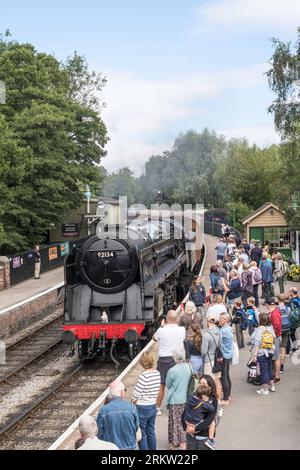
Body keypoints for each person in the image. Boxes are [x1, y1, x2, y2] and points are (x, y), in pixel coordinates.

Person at [153, 310, 186, 416]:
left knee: (161, 385)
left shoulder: (161, 330)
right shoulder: (182, 330)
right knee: (177, 384)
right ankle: (176, 407)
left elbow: (154, 338)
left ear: (166, 319)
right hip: (177, 359)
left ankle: (157, 408)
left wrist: (162, 326)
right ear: (176, 319)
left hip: (163, 359)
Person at [97, 380, 139, 450]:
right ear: (122, 392)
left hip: (109, 447)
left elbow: (99, 432)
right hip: (129, 446)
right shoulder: (132, 408)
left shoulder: (103, 410)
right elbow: (136, 427)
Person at [131, 352, 161, 450]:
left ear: (143, 362)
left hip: (142, 407)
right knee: (151, 431)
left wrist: (133, 400)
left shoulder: (143, 376)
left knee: (142, 433)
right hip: (153, 405)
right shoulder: (157, 373)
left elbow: (136, 393)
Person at [182, 375, 218, 451]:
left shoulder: (213, 401)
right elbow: (184, 414)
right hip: (190, 437)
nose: (201, 385)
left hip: (203, 440)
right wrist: (186, 427)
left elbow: (209, 420)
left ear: (210, 387)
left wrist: (195, 429)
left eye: (203, 384)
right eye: (200, 383)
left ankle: (210, 441)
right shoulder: (193, 396)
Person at [165, 348, 192, 450]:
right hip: (186, 397)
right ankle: (184, 440)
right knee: (184, 420)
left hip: (175, 399)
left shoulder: (172, 370)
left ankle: (177, 442)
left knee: (176, 422)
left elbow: (168, 384)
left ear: (174, 358)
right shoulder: (188, 366)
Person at [251, 312, 276, 395]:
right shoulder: (270, 327)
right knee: (269, 368)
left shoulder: (259, 329)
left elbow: (257, 343)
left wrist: (254, 355)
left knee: (263, 370)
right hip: (271, 351)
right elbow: (274, 337)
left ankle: (264, 389)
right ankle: (272, 386)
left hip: (262, 352)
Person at [201, 312, 223, 400]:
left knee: (207, 382)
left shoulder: (206, 335)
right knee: (217, 381)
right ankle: (218, 400)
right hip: (217, 360)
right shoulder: (219, 333)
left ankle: (207, 400)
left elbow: (203, 351)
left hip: (209, 361)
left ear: (208, 322)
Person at [266, 298, 282, 385]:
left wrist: (271, 335)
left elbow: (277, 327)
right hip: (276, 337)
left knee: (276, 358)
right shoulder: (275, 311)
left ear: (268, 305)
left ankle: (277, 377)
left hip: (275, 338)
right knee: (274, 357)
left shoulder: (274, 314)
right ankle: (274, 375)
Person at [219, 312, 233, 406]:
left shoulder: (223, 331)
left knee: (224, 377)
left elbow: (218, 342)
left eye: (220, 318)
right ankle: (228, 395)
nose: (219, 320)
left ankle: (225, 399)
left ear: (225, 320)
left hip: (224, 355)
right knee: (227, 376)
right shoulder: (229, 328)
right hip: (228, 354)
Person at [277, 294, 291, 373]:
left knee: (277, 348)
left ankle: (276, 366)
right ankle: (282, 367)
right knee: (283, 348)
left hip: (278, 330)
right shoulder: (288, 309)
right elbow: (289, 317)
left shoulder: (276, 309)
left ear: (278, 300)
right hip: (286, 329)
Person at [288, 287, 300, 352]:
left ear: (292, 292)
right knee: (294, 333)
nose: (289, 293)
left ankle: (294, 348)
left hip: (293, 320)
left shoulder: (293, 301)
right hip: (297, 319)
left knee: (291, 334)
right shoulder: (298, 299)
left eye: (289, 291)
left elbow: (290, 311)